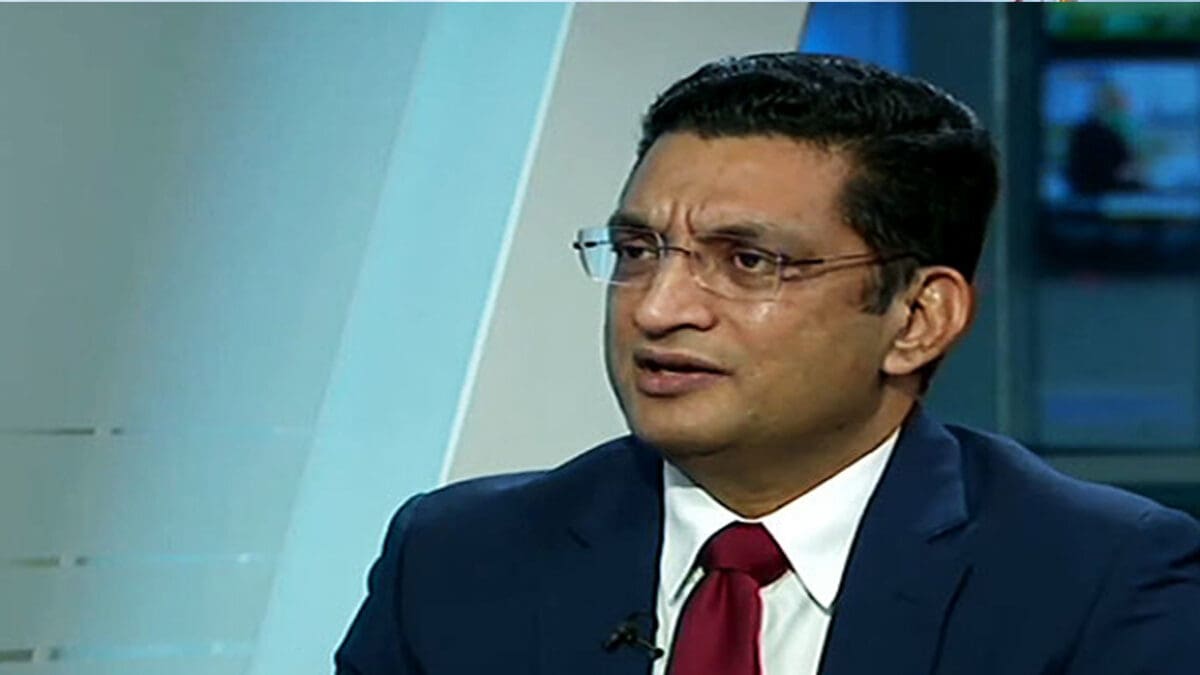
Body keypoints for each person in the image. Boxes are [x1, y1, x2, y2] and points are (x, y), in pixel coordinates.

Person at [335, 53, 1200, 675]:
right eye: (637, 251)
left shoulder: (1100, 582)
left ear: (917, 318)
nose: (658, 307)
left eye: (748, 260)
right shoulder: (455, 558)